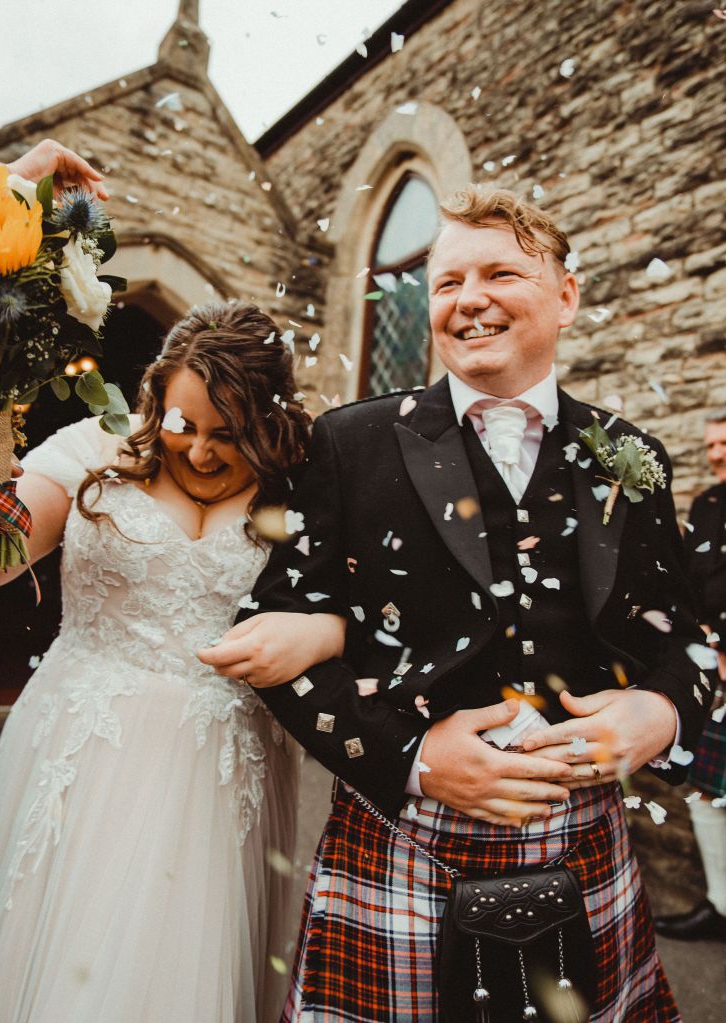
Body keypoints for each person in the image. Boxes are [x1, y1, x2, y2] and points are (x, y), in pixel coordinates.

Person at [204, 187, 710, 1022]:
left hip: (584, 842)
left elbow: (683, 636)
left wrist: (658, 711)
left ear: (565, 295)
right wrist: (411, 760)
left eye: (499, 273)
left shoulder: (629, 454)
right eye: (445, 283)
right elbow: (267, 644)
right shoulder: (351, 441)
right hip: (401, 838)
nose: (467, 300)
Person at [0, 298, 346, 1023]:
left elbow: (359, 611)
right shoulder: (93, 450)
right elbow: (0, 557)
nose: (202, 451)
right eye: (183, 423)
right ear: (154, 394)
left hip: (223, 775)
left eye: (230, 434)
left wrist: (324, 634)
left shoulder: (300, 486)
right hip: (81, 750)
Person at [654, 412, 726, 942]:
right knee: (706, 792)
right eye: (712, 444)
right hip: (715, 670)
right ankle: (722, 906)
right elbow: (692, 582)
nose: (717, 453)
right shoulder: (707, 504)